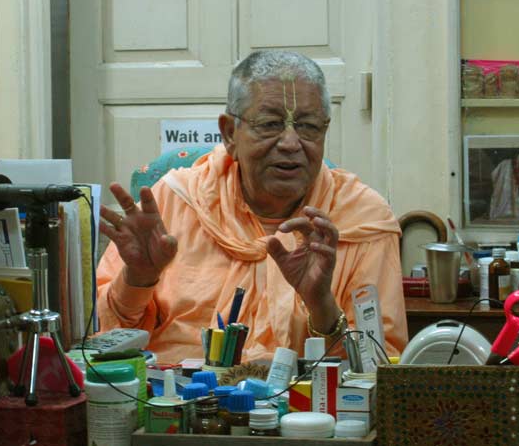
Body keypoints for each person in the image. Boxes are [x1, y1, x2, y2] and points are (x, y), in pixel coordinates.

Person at [97, 50, 408, 364]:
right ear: (230, 133)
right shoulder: (174, 202)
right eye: (270, 124)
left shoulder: (362, 218)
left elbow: (380, 366)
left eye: (308, 126)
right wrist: (139, 278)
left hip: (303, 394)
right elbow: (103, 340)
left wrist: (322, 305)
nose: (290, 143)